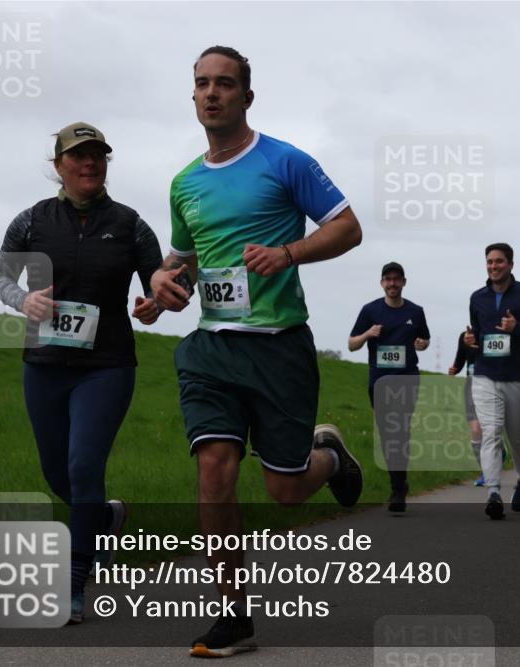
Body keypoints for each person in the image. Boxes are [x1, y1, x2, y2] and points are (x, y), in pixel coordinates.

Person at [150, 46, 363, 658]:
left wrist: (288, 253)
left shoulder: (285, 161)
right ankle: (233, 614)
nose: (211, 93)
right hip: (212, 348)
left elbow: (347, 227)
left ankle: (330, 454)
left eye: (224, 84)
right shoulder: (185, 183)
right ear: (193, 96)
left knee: (285, 493)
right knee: (213, 467)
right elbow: (186, 259)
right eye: (201, 85)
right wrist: (165, 288)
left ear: (247, 95)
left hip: (279, 349)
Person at [0, 122, 164, 624]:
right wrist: (24, 299)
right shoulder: (30, 221)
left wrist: (155, 304)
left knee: (85, 465)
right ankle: (106, 516)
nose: (89, 164)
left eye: (98, 156)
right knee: (57, 473)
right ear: (59, 165)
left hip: (106, 365)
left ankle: (74, 583)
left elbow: (158, 283)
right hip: (43, 364)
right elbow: (0, 277)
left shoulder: (130, 224)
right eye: (78, 156)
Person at [464, 243, 520, 519]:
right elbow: (477, 335)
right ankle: (493, 492)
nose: (493, 266)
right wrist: (470, 342)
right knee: (491, 432)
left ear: (511, 264)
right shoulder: (477, 298)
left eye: (499, 262)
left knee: (516, 437)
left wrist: (518, 329)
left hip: (519, 378)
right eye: (489, 262)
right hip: (486, 374)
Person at [348, 262, 429, 512]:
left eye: (397, 279)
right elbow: (352, 344)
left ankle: (396, 492)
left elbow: (425, 339)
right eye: (388, 279)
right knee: (388, 434)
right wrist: (367, 334)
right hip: (379, 380)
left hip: (407, 378)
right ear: (382, 283)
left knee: (400, 431)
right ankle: (400, 483)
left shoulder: (416, 311)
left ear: (404, 282)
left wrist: (421, 343)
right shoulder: (370, 311)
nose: (392, 283)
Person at [450, 330, 507, 486]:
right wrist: (454, 369)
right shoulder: (465, 336)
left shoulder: (495, 336)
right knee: (475, 430)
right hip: (471, 387)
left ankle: (500, 448)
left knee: (489, 429)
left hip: (492, 386)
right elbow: (460, 358)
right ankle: (485, 472)